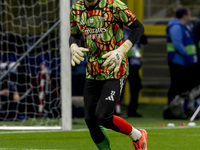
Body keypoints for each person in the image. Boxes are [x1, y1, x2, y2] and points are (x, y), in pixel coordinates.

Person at [70, 0, 147, 149]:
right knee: (90, 120)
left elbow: (138, 27)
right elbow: (74, 35)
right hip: (93, 71)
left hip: (115, 68)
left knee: (103, 116)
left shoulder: (114, 5)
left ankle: (138, 135)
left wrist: (122, 50)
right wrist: (73, 46)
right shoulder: (76, 9)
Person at [165, 8, 198, 119]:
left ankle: (182, 110)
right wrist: (186, 54)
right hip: (177, 61)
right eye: (189, 14)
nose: (190, 17)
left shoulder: (186, 27)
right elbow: (177, 44)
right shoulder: (176, 27)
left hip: (185, 62)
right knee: (176, 86)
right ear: (184, 16)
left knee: (183, 87)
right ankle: (172, 110)